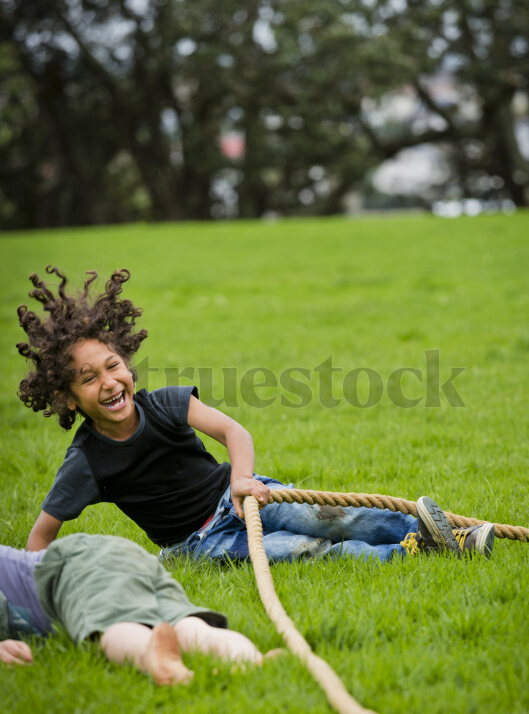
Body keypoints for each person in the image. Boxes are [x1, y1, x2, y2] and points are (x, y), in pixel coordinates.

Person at [17, 267, 494, 565]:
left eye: (113, 366)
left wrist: (241, 481)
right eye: (88, 378)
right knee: (306, 552)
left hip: (241, 496)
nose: (108, 383)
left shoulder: (164, 404)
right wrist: (35, 589)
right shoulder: (86, 462)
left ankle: (450, 536)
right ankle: (410, 554)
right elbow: (41, 536)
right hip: (197, 545)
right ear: (69, 399)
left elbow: (231, 431)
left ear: (127, 365)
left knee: (339, 517)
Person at [0, 532, 266, 683]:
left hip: (76, 567)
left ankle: (157, 662)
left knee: (115, 622)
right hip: (117, 554)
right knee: (187, 626)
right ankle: (253, 661)